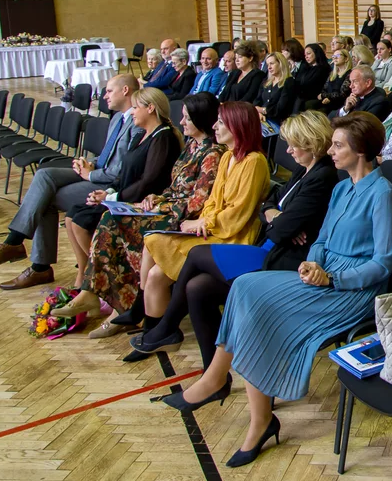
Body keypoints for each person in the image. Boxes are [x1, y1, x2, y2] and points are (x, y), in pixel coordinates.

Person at [152, 113, 392, 470]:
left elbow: (383, 265)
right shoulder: (342, 186)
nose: (330, 150)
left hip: (351, 291)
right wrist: (312, 263)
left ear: (361, 151)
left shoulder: (382, 194)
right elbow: (322, 240)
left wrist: (331, 278)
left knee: (259, 306)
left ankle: (253, 415)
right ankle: (222, 384)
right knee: (244, 287)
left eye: (338, 145)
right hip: (323, 276)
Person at [130, 112, 339, 367]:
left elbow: (280, 230)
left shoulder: (322, 176)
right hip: (270, 246)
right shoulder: (304, 169)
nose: (289, 150)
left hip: (285, 258)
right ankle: (213, 373)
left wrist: (278, 220)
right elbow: (268, 204)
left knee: (196, 254)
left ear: (311, 144)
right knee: (197, 288)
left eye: (294, 145)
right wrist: (275, 215)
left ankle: (167, 327)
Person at [61, 93, 223, 336]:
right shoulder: (192, 145)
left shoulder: (212, 153)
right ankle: (95, 293)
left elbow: (197, 201)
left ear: (200, 119)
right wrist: (157, 198)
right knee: (110, 219)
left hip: (181, 218)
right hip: (167, 207)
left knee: (118, 226)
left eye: (187, 118)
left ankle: (124, 305)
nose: (181, 122)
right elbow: (175, 186)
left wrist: (162, 205)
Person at [0, 74, 145, 290]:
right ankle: (15, 242)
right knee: (44, 175)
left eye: (109, 91)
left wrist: (89, 175)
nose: (104, 96)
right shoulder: (117, 118)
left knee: (44, 199)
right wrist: (86, 163)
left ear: (126, 91)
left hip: (110, 184)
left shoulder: (137, 121)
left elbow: (123, 170)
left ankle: (36, 264)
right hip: (97, 171)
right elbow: (106, 156)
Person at [135, 102, 271, 352]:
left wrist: (203, 222)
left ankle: (158, 330)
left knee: (155, 255)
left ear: (238, 126)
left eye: (221, 122)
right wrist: (202, 221)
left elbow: (238, 214)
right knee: (152, 250)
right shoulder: (228, 156)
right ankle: (154, 330)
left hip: (234, 237)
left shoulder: (254, 162)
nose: (214, 126)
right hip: (213, 229)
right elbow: (211, 201)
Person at [57, 88, 183, 313]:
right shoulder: (140, 134)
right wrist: (109, 192)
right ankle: (88, 280)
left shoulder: (164, 138)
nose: (132, 112)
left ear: (150, 108)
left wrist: (112, 197)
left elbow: (149, 181)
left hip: (142, 202)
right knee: (72, 215)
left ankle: (104, 285)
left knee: (81, 220)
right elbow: (126, 173)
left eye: (136, 107)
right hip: (123, 195)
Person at [220, 41, 267, 105]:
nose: (237, 60)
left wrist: (230, 108)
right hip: (226, 109)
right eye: (236, 58)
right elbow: (224, 93)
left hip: (241, 110)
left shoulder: (258, 75)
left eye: (240, 57)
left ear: (250, 58)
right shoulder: (234, 73)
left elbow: (249, 98)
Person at [256, 52, 296, 125]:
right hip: (263, 120)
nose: (269, 67)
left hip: (280, 122)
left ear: (280, 64)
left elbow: (281, 108)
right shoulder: (266, 82)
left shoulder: (289, 82)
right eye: (268, 64)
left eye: (272, 63)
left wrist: (263, 110)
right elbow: (257, 100)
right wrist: (259, 113)